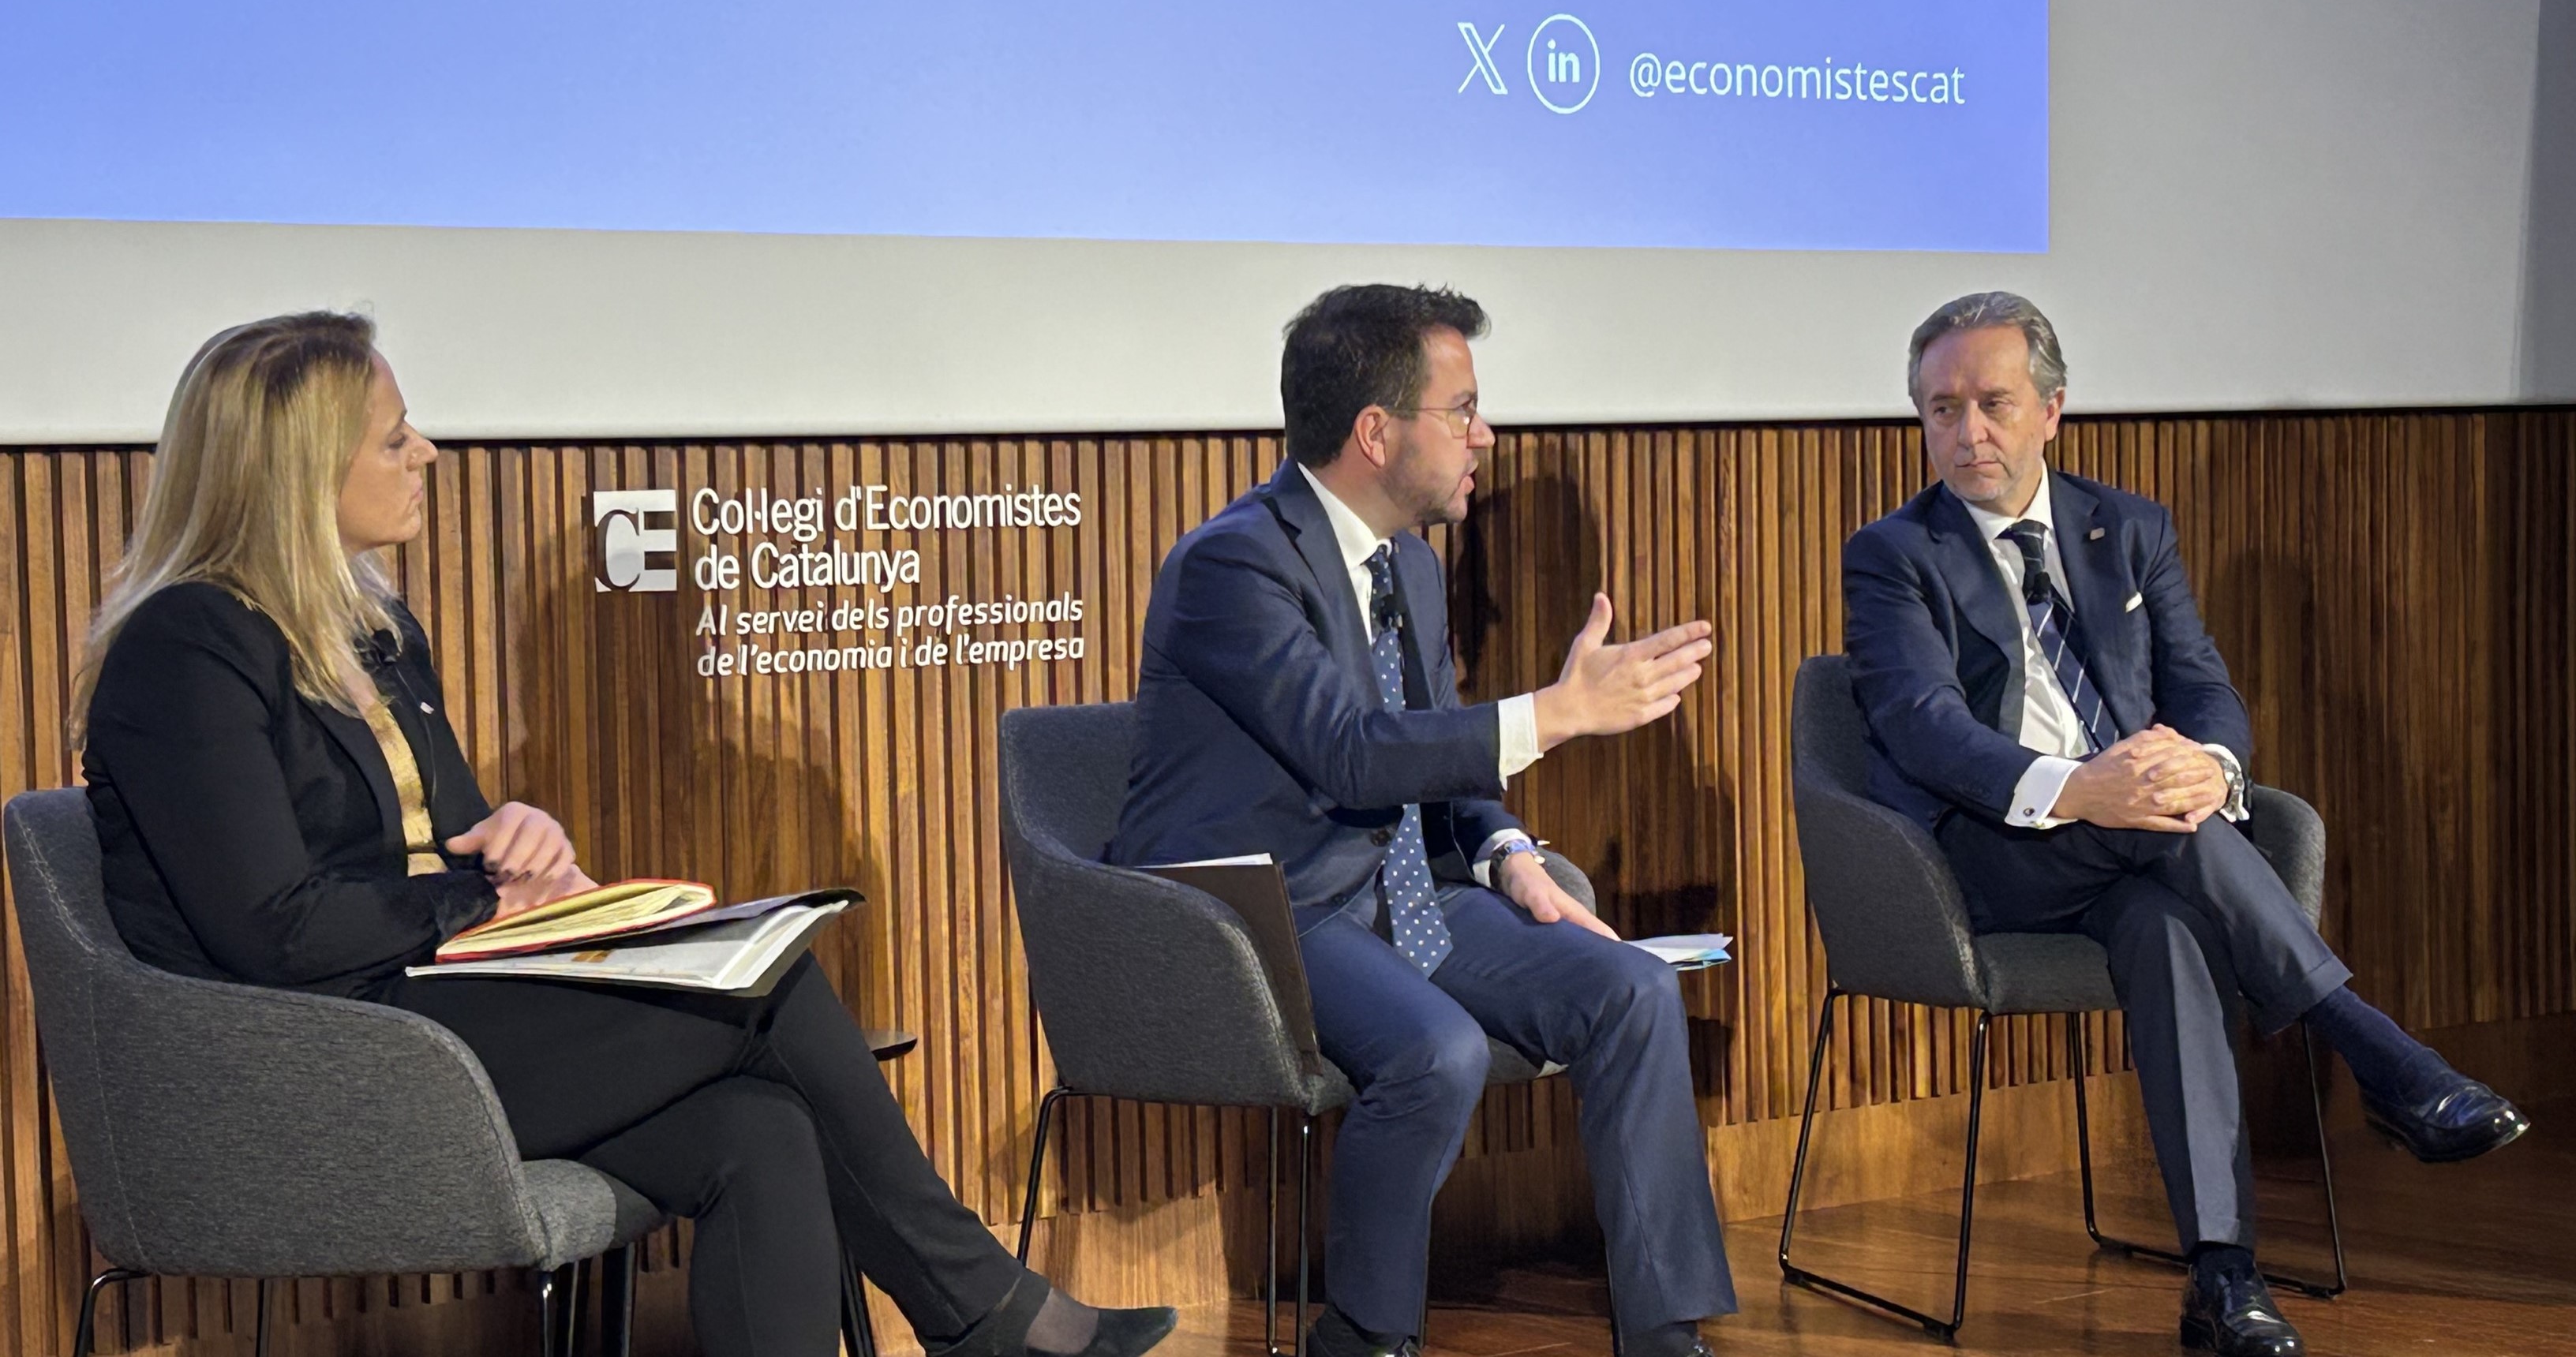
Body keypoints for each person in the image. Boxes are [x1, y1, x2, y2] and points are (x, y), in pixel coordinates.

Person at [73, 311, 1176, 1357]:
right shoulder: (186, 650)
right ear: (297, 472)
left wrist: (519, 842)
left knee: (759, 1131)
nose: (430, 452)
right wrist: (475, 900)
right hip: (312, 1063)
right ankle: (982, 1312)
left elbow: (452, 841)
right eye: (394, 437)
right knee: (768, 992)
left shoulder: (374, 628)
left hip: (424, 1007)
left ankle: (982, 1315)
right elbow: (272, 930)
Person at [1843, 291, 2530, 1357]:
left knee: (2167, 933)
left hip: (2144, 840)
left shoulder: (2131, 528)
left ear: (2053, 409)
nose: (1966, 432)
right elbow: (1920, 724)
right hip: (1990, 850)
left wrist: (2204, 768)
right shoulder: (1894, 553)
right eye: (1941, 409)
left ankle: (2225, 1281)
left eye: (1993, 403)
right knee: (2168, 834)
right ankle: (2386, 1060)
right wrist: (2080, 790)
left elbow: (2204, 691)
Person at [1109, 285, 1734, 1357]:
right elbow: (1349, 748)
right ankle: (1361, 1334)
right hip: (1267, 906)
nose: (1483, 435)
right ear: (1376, 431)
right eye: (1463, 409)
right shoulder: (1234, 564)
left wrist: (1505, 848)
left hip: (1400, 894)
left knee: (1630, 987)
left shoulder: (1407, 560)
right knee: (1435, 1049)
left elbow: (1433, 741)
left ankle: (1665, 1335)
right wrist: (1560, 711)